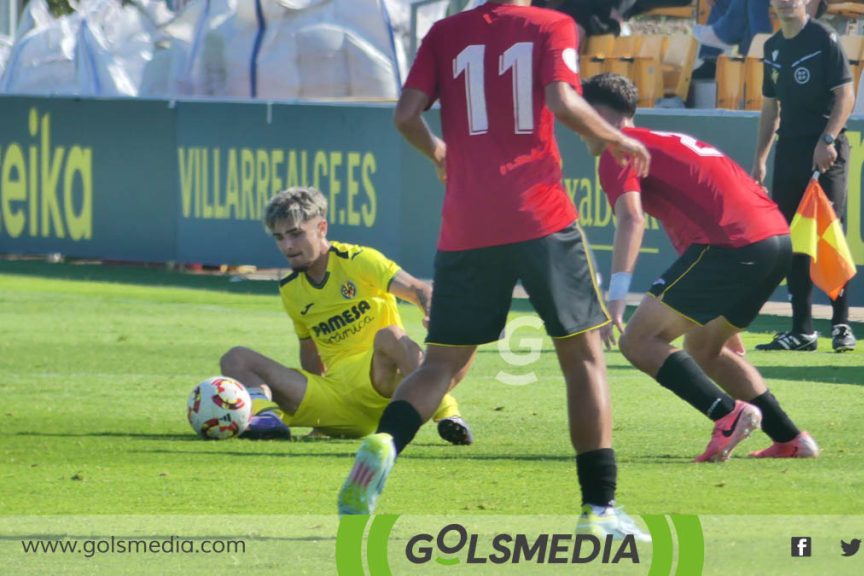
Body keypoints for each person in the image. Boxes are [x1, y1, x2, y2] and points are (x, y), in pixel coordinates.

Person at [337, 0, 653, 540]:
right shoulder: (552, 26)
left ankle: (385, 442)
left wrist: (440, 151)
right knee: (584, 359)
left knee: (439, 366)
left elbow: (405, 116)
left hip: (465, 225)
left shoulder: (444, 32)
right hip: (539, 216)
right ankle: (599, 508)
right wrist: (615, 136)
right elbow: (561, 98)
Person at [583, 73, 820, 461]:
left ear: (595, 115)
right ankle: (792, 439)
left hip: (733, 244)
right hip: (775, 241)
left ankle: (728, 414)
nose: (577, 129)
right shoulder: (665, 141)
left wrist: (616, 297)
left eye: (579, 117)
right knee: (704, 347)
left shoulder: (618, 150)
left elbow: (631, 218)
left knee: (638, 341)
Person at [219, 187, 473, 444]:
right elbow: (310, 352)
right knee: (235, 358)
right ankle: (267, 421)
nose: (288, 246)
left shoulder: (359, 260)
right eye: (279, 237)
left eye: (296, 234)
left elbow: (419, 290)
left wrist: (435, 318)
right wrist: (319, 414)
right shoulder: (290, 290)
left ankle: (448, 413)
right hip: (336, 397)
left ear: (321, 228)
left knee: (390, 335)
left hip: (381, 384)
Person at [752, 0, 857, 352]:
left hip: (826, 150)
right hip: (790, 152)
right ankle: (802, 329)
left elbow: (845, 95)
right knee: (793, 238)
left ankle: (841, 324)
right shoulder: (772, 47)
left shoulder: (824, 37)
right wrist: (760, 160)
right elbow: (770, 107)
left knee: (829, 231)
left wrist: (827, 139)